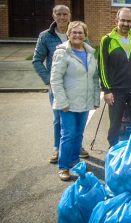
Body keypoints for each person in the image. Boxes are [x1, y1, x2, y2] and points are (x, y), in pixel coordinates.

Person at [32, 5, 89, 163]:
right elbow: (36, 60)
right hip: (57, 86)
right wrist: (49, 81)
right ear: (53, 15)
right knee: (59, 118)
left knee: (78, 118)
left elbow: (88, 55)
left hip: (77, 85)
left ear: (69, 15)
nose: (62, 17)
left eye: (65, 14)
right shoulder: (46, 36)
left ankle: (77, 147)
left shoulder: (79, 32)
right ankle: (57, 148)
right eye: (59, 14)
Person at [50, 21, 100, 181]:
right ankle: (63, 167)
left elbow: (94, 78)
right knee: (68, 135)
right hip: (68, 104)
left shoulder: (90, 53)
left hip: (84, 103)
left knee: (79, 133)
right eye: (74, 32)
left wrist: (95, 98)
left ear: (85, 35)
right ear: (69, 34)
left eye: (80, 32)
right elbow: (55, 79)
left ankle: (75, 161)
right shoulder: (62, 52)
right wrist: (62, 102)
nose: (77, 35)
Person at [98, 8, 131, 147]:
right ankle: (113, 149)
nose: (125, 23)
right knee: (115, 124)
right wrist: (106, 90)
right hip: (116, 90)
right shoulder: (107, 40)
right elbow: (102, 66)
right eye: (123, 20)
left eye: (129, 21)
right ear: (116, 20)